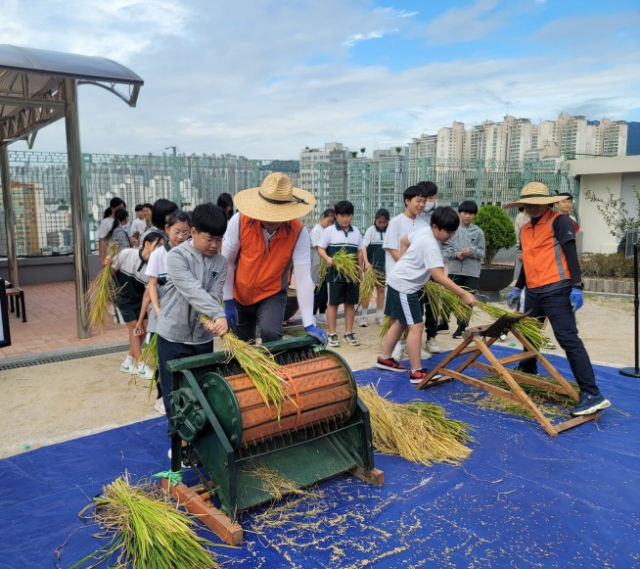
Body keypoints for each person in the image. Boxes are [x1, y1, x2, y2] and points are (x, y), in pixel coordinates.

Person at [505, 182, 610, 417]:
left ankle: (592, 393)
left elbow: (571, 255)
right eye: (528, 204)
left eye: (537, 204)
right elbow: (527, 262)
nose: (532, 208)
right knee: (528, 334)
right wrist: (518, 288)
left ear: (547, 204)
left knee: (567, 339)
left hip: (557, 289)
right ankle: (528, 371)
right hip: (532, 291)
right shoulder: (525, 230)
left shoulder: (559, 222)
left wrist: (576, 286)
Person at [222, 172, 326, 347]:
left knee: (271, 334)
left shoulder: (298, 232)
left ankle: (275, 369)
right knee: (242, 345)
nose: (272, 220)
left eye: (278, 216)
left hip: (272, 293)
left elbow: (302, 277)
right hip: (240, 293)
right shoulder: (239, 222)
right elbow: (227, 262)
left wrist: (309, 323)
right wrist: (228, 300)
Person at [376, 207, 476, 383]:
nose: (451, 235)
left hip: (399, 281)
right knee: (416, 327)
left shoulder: (424, 231)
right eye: (448, 232)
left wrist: (407, 262)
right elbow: (438, 276)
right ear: (436, 227)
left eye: (453, 232)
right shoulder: (430, 245)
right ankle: (416, 372)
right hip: (404, 287)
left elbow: (403, 240)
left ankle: (385, 358)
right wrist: (463, 294)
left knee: (400, 322)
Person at [156, 204, 229, 418]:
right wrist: (219, 315)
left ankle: (197, 444)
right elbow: (192, 291)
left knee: (203, 392)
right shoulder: (177, 256)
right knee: (174, 394)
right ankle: (179, 444)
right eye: (210, 239)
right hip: (172, 336)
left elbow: (215, 294)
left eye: (219, 239)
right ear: (194, 232)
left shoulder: (221, 262)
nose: (215, 245)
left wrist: (210, 319)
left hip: (201, 338)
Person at [136, 210, 191, 415]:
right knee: (160, 359)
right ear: (167, 230)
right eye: (177, 231)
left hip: (183, 317)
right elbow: (151, 285)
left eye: (186, 233)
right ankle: (162, 396)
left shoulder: (189, 252)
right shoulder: (159, 254)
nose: (181, 237)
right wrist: (157, 311)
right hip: (162, 317)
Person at [383, 185, 432, 360]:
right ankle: (396, 346)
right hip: (398, 276)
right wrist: (407, 266)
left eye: (424, 202)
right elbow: (391, 248)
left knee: (415, 314)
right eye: (418, 200)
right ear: (407, 201)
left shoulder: (424, 224)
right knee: (396, 315)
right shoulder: (396, 222)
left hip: (416, 280)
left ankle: (411, 347)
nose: (421, 204)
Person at [110, 232, 165, 379]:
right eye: (158, 245)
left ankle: (128, 361)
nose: (161, 249)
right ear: (147, 244)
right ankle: (140, 365)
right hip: (120, 296)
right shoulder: (127, 254)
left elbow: (147, 295)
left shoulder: (155, 267)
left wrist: (141, 319)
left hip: (139, 300)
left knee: (143, 328)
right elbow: (110, 271)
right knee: (134, 327)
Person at [317, 200, 364, 347]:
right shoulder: (329, 231)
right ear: (336, 215)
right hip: (334, 275)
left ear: (352, 216)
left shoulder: (356, 231)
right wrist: (328, 259)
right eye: (342, 215)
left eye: (348, 215)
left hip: (352, 276)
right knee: (333, 304)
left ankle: (348, 333)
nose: (345, 219)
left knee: (350, 303)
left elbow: (360, 251)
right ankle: (332, 334)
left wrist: (360, 270)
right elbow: (320, 248)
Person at [442, 201, 485, 339]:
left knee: (468, 300)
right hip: (454, 271)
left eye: (471, 213)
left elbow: (482, 253)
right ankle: (443, 324)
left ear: (474, 215)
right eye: (465, 213)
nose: (467, 216)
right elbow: (445, 250)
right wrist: (456, 254)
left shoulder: (478, 232)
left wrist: (471, 251)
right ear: (459, 213)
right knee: (449, 298)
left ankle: (461, 327)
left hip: (471, 272)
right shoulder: (452, 230)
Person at [360, 208, 389, 327]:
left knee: (381, 290)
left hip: (384, 267)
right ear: (375, 220)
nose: (381, 225)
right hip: (371, 267)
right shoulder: (370, 230)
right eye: (379, 222)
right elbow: (364, 248)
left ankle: (379, 315)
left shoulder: (390, 231)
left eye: (384, 222)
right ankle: (364, 316)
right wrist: (366, 263)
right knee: (367, 291)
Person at [310, 208, 336, 324]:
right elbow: (319, 249)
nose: (330, 224)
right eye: (328, 221)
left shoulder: (328, 230)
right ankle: (312, 315)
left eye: (332, 222)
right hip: (319, 265)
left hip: (326, 265)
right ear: (323, 217)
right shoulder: (316, 231)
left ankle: (321, 314)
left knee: (324, 292)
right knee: (319, 292)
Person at [98, 197, 125, 266]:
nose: (121, 210)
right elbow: (102, 242)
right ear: (112, 209)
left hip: (124, 255)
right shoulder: (105, 222)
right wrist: (102, 260)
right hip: (111, 256)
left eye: (123, 208)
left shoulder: (125, 221)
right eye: (119, 208)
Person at [513, 206, 531, 285]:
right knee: (520, 264)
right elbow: (524, 229)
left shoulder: (526, 216)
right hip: (521, 243)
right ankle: (517, 281)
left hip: (526, 242)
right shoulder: (521, 216)